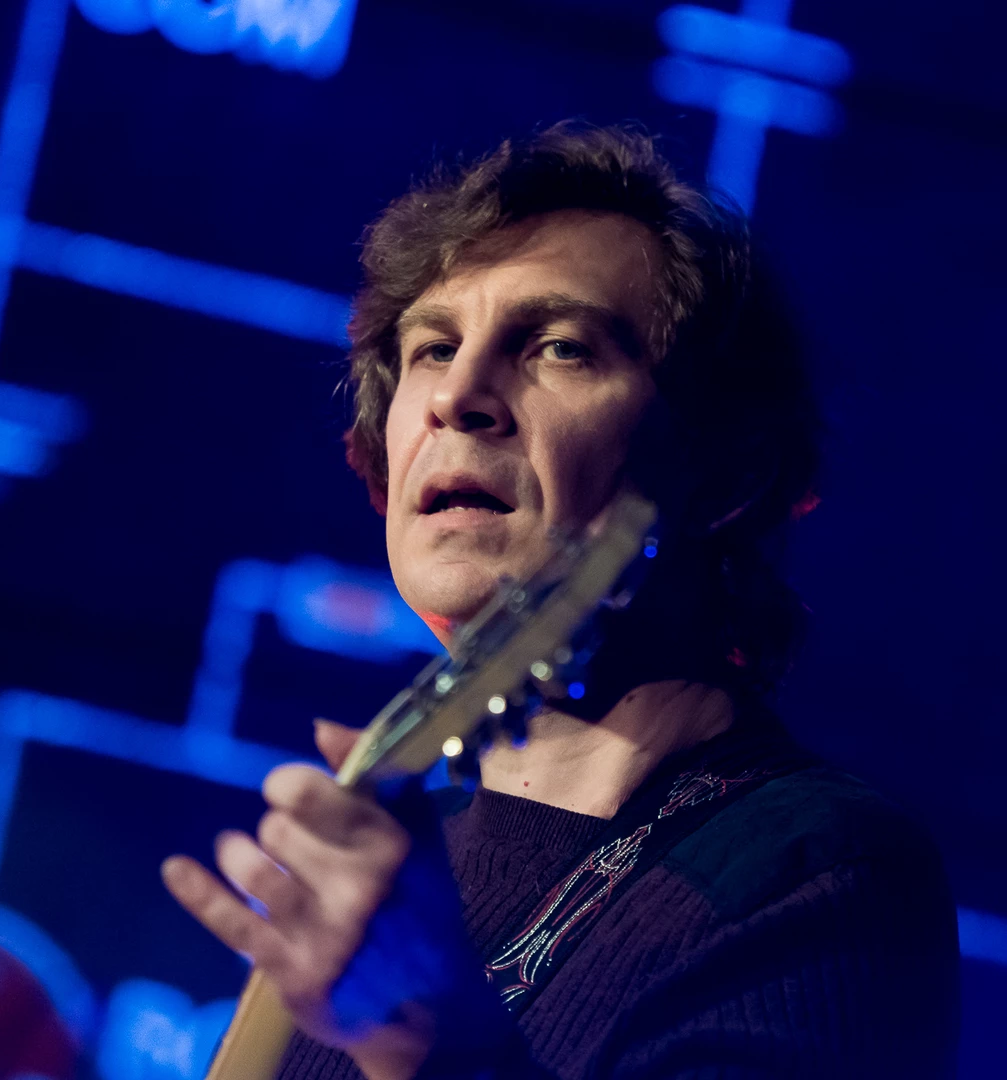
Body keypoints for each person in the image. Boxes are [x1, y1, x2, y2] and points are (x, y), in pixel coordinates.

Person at [161, 121, 960, 1079]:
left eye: (559, 348)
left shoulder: (820, 873)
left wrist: (436, 1040)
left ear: (726, 474)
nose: (458, 394)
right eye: (433, 348)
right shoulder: (393, 863)